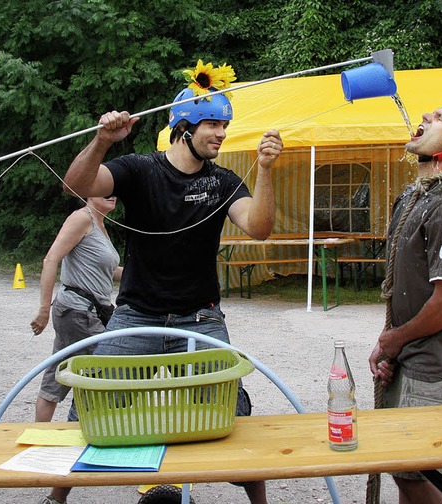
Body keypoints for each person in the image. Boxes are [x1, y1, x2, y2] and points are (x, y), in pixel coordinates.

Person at [62, 61, 282, 504]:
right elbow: (75, 185)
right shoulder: (140, 169)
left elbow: (258, 228)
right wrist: (103, 140)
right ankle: (56, 496)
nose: (221, 133)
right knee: (89, 408)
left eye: (224, 124)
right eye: (212, 124)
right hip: (135, 315)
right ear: (183, 127)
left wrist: (266, 168)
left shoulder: (223, 181)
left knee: (232, 410)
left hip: (201, 318)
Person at [369, 102, 442, 504]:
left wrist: (394, 341)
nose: (424, 118)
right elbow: (410, 289)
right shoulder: (418, 195)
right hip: (412, 349)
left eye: (439, 118)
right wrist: (390, 340)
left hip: (435, 357)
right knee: (406, 468)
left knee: (413, 472)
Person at [33, 196, 122, 504]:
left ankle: (38, 444)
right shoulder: (81, 218)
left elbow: (108, 272)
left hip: (85, 309)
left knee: (57, 372)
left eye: (112, 189)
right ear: (88, 192)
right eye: (103, 189)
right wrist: (43, 308)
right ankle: (84, 445)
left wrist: (148, 270)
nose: (111, 194)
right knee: (107, 369)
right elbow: (51, 259)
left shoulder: (101, 224)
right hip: (78, 310)